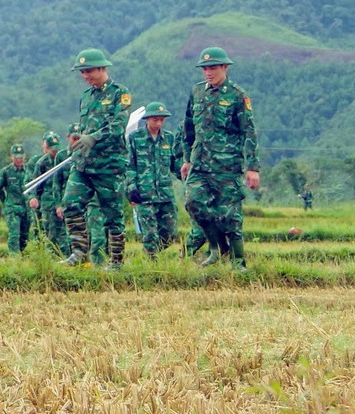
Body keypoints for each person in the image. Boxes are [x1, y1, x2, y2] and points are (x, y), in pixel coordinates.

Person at [182, 46, 261, 270]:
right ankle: (217, 247)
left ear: (225, 67)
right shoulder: (197, 92)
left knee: (230, 214)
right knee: (193, 203)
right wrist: (187, 159)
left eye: (213, 67)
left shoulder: (237, 95)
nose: (208, 72)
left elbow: (249, 132)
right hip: (200, 163)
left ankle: (238, 262)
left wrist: (252, 167)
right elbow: (188, 128)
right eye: (205, 68)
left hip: (227, 165)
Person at [59, 48, 133, 269]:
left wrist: (94, 137)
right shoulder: (86, 97)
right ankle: (79, 252)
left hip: (109, 166)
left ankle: (117, 261)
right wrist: (78, 141)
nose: (86, 76)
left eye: (89, 71)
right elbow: (84, 128)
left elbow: (119, 126)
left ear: (103, 68)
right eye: (82, 72)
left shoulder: (120, 93)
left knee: (112, 215)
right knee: (70, 203)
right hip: (83, 164)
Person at [126, 101, 184, 256]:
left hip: (165, 196)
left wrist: (190, 178)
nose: (158, 123)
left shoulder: (169, 139)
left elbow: (176, 166)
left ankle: (150, 254)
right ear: (147, 119)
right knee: (150, 235)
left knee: (169, 234)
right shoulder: (135, 139)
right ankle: (150, 263)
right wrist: (131, 188)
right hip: (145, 196)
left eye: (161, 119)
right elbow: (129, 166)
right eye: (155, 119)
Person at [30, 130, 70, 255]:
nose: (55, 152)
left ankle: (67, 256)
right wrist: (34, 198)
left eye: (56, 149)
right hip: (48, 203)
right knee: (51, 233)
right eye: (52, 149)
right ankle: (51, 259)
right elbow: (36, 185)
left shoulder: (64, 159)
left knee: (65, 232)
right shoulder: (41, 162)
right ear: (46, 147)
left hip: (63, 200)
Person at [0, 141, 31, 252]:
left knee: (24, 236)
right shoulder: (6, 172)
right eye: (16, 157)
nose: (19, 159)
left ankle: (20, 254)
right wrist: (6, 201)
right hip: (12, 207)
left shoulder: (29, 171)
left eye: (21, 157)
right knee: (14, 235)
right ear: (11, 157)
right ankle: (15, 258)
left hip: (27, 208)